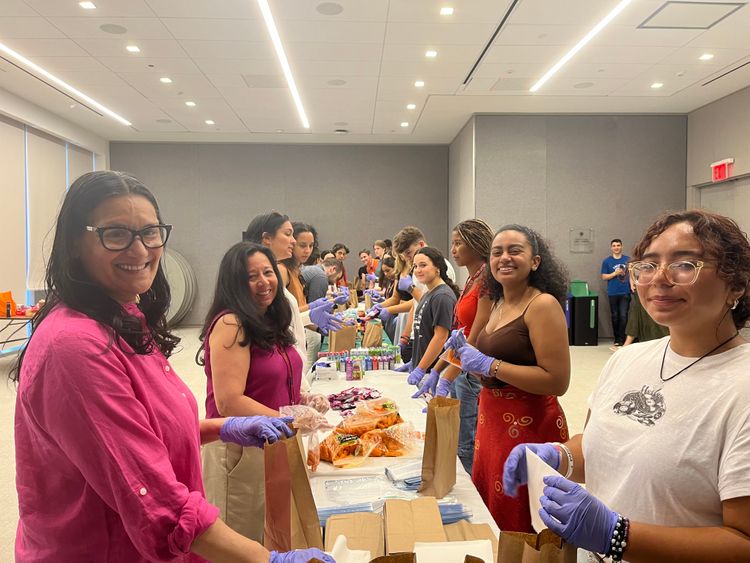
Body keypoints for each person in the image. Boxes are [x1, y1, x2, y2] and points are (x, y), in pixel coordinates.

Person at [11, 171, 333, 563]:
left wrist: (222, 427)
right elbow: (153, 500)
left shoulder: (124, 318)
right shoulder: (75, 347)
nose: (140, 249)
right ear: (76, 243)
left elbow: (142, 432)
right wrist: (269, 560)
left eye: (150, 233)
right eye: (116, 234)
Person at [503, 210, 750, 561]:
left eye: (684, 264)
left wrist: (618, 536)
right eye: (648, 265)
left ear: (736, 284)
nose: (659, 278)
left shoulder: (741, 385)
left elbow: (743, 542)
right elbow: (599, 449)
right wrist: (560, 456)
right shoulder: (627, 359)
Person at [199, 242, 329, 543]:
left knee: (274, 536)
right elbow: (229, 401)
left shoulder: (271, 320)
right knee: (244, 539)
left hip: (273, 443)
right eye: (251, 276)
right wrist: (291, 421)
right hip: (239, 450)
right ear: (234, 283)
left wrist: (303, 401)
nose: (263, 282)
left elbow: (278, 379)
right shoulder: (232, 323)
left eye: (268, 272)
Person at [444, 224, 570, 532]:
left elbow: (557, 381)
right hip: (492, 423)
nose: (505, 258)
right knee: (495, 512)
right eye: (497, 252)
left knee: (526, 522)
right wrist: (460, 357)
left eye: (515, 251)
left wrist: (491, 365)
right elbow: (481, 360)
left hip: (529, 426)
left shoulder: (541, 305)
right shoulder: (498, 302)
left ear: (535, 261)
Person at [431, 219, 493, 475]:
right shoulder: (471, 279)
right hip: (459, 368)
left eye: (458, 243)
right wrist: (436, 371)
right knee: (457, 436)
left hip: (470, 372)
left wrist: (444, 375)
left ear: (476, 245)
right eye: (453, 243)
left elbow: (474, 338)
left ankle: (474, 499)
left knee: (465, 443)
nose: (453, 250)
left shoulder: (487, 281)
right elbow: (460, 335)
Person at [404, 248, 460, 401]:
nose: (418, 270)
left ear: (437, 268)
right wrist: (414, 361)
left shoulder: (442, 296)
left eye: (423, 265)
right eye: (415, 266)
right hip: (425, 368)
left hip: (434, 372)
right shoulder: (429, 293)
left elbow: (440, 337)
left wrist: (421, 368)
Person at [601, 238, 631, 347]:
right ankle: (617, 338)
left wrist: (632, 286)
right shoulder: (607, 261)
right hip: (612, 292)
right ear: (611, 248)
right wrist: (615, 273)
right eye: (614, 245)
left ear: (621, 246)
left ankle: (622, 338)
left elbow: (632, 274)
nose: (616, 247)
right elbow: (604, 276)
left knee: (623, 315)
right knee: (615, 316)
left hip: (625, 292)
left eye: (618, 245)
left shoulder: (628, 260)